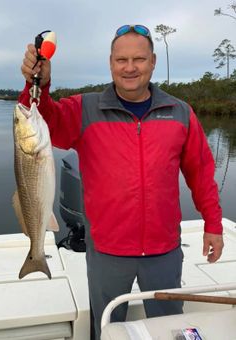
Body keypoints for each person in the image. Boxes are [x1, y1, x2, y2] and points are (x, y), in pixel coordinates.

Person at [19, 24, 224, 340]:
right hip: (107, 251)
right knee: (107, 329)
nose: (130, 68)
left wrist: (213, 224)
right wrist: (39, 84)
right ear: (111, 62)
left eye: (139, 59)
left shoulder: (180, 112)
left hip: (164, 250)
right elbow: (41, 121)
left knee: (169, 327)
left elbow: (200, 174)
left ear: (153, 61)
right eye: (121, 60)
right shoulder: (83, 109)